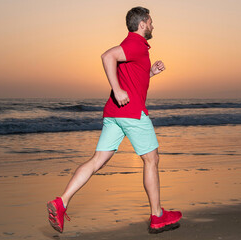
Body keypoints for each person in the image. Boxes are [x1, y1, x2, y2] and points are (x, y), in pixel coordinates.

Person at [46, 6, 182, 234]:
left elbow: (131, 76)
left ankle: (62, 202)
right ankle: (157, 215)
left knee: (97, 160)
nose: (152, 25)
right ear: (142, 24)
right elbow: (107, 56)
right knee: (152, 160)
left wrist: (149, 73)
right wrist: (117, 89)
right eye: (150, 22)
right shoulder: (135, 43)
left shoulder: (135, 47)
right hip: (132, 113)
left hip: (114, 113)